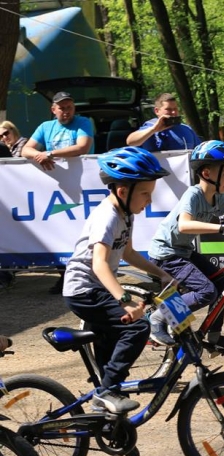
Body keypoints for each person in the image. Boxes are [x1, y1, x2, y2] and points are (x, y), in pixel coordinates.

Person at [63, 147, 173, 414]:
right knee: (137, 328)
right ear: (123, 191)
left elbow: (128, 252)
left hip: (96, 287)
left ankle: (109, 420)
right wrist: (124, 299)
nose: (149, 200)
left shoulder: (126, 214)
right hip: (84, 290)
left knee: (111, 342)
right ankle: (107, 392)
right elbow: (99, 263)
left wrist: (161, 274)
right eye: (145, 193)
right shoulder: (107, 217)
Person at [148, 140, 224, 347]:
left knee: (223, 285)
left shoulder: (218, 198)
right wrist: (221, 228)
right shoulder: (194, 194)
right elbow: (184, 225)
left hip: (183, 251)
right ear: (208, 174)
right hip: (166, 253)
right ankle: (158, 317)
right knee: (206, 291)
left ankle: (213, 338)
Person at [21, 91, 95, 294]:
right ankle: (64, 277)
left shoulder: (83, 122)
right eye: (62, 108)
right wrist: (38, 155)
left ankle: (91, 277)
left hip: (84, 187)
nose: (66, 111)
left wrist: (49, 153)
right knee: (60, 231)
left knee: (85, 231)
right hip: (58, 190)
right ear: (53, 110)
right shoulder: (46, 127)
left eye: (70, 107)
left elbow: (82, 147)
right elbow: (25, 150)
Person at [126, 92, 201, 152]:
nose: (174, 112)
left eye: (175, 109)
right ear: (157, 111)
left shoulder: (186, 129)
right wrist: (153, 130)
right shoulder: (151, 126)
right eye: (169, 109)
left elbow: (200, 151)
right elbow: (130, 142)